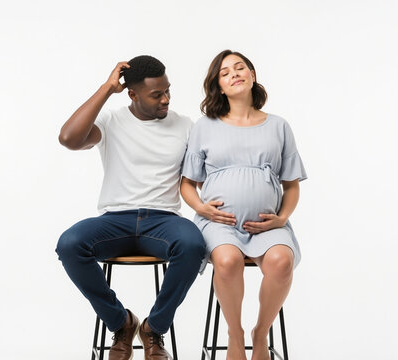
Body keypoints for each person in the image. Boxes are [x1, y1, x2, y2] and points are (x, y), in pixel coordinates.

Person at [56, 55, 206, 360]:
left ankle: (154, 328)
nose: (166, 99)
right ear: (132, 94)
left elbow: (199, 178)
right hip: (116, 220)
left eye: (168, 91)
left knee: (192, 244)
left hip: (163, 222)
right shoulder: (111, 121)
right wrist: (105, 88)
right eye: (156, 95)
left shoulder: (185, 125)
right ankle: (122, 323)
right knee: (69, 244)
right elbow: (69, 138)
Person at [180, 50, 307, 360]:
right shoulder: (205, 126)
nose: (234, 73)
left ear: (252, 75)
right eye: (225, 72)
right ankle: (235, 335)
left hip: (267, 224)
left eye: (240, 68)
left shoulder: (278, 126)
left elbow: (290, 185)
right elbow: (186, 184)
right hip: (219, 224)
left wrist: (282, 218)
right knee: (227, 262)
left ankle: (260, 334)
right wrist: (202, 209)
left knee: (281, 262)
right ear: (219, 86)